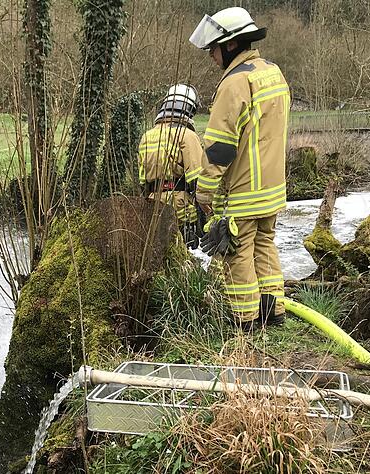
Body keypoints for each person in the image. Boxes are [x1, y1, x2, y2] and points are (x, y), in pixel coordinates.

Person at [189, 7, 290, 332]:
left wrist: (204, 191)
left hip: (244, 191)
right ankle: (273, 314)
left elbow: (219, 148)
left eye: (213, 48)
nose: (210, 56)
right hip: (273, 188)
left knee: (237, 255)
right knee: (265, 246)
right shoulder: (272, 72)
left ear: (231, 44)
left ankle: (244, 323)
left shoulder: (235, 83)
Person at [138, 84, 206, 249]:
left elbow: (142, 181)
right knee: (181, 253)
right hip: (181, 208)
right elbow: (197, 180)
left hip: (153, 207)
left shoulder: (147, 136)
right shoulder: (187, 136)